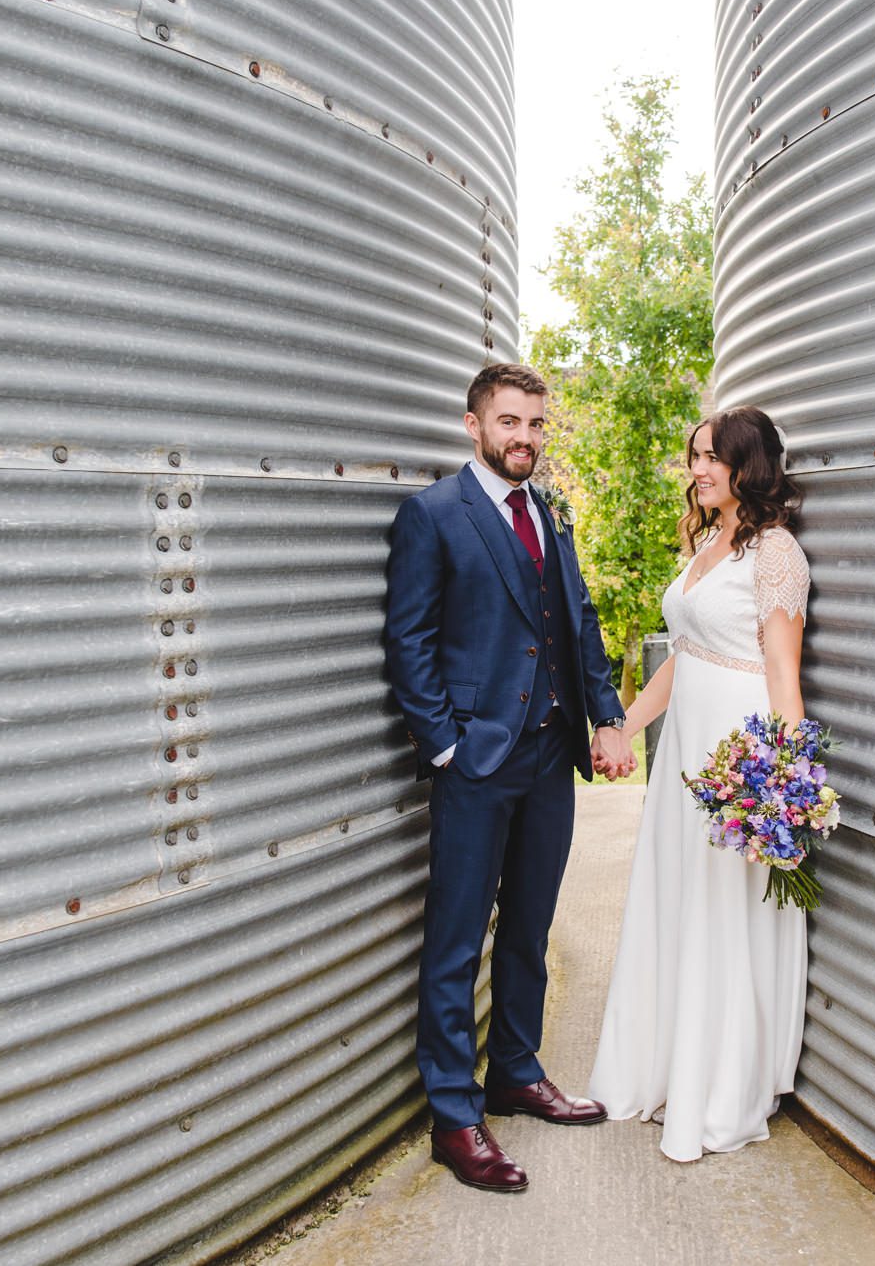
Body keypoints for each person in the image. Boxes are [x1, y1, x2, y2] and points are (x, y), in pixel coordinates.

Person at [381, 362, 638, 1194]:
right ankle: (455, 1116)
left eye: (535, 423)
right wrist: (447, 747)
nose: (525, 437)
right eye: (509, 422)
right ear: (473, 424)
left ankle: (516, 1071)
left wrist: (603, 715)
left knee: (528, 925)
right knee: (457, 942)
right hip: (478, 761)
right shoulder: (433, 515)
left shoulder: (548, 511)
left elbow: (580, 618)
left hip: (549, 753)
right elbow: (409, 641)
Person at [587, 405, 812, 1162]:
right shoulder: (707, 541)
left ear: (748, 462)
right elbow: (679, 658)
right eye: (694, 457)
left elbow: (784, 674)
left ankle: (719, 1083)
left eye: (711, 456)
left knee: (725, 909)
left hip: (737, 750)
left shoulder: (776, 554)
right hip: (682, 748)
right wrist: (619, 723)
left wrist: (785, 783)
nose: (698, 469)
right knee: (677, 899)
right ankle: (662, 1064)